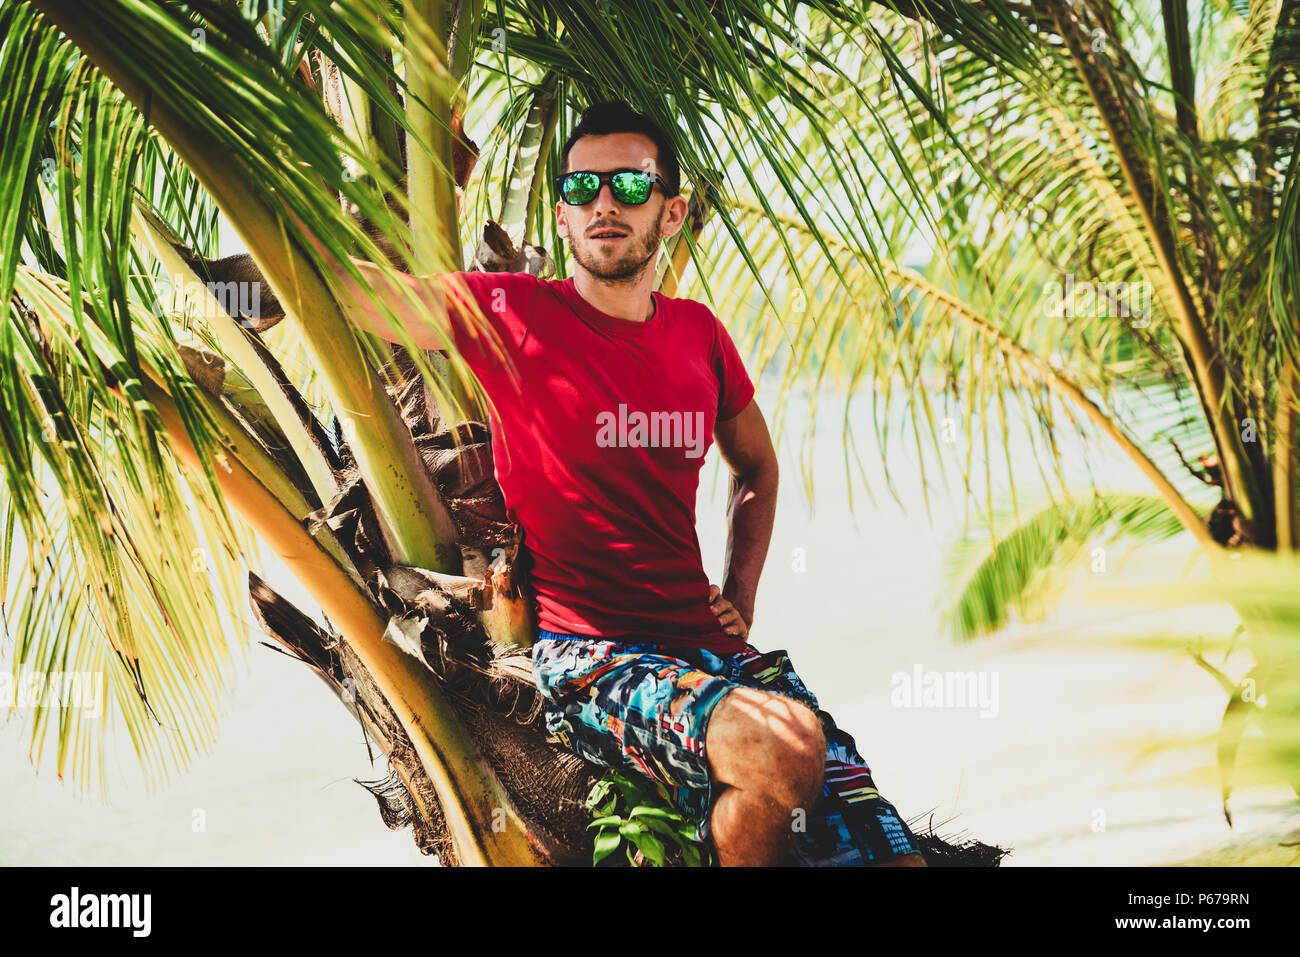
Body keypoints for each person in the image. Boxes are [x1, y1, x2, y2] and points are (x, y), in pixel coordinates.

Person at [320, 100, 925, 867]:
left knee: (899, 854)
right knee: (784, 752)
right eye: (582, 189)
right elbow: (373, 295)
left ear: (670, 213)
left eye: (630, 186)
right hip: (593, 658)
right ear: (564, 219)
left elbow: (758, 468)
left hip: (714, 653)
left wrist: (739, 595)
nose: (605, 203)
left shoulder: (699, 334)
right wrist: (283, 214)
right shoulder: (511, 314)